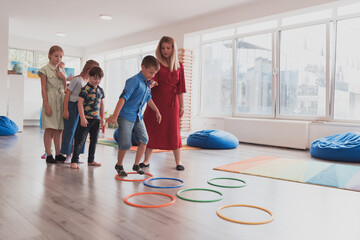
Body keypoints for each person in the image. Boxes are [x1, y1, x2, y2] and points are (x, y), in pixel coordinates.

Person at [106, 55, 162, 176]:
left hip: (138, 117)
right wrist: (115, 115)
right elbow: (122, 99)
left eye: (154, 73)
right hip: (126, 116)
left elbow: (149, 99)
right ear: (142, 67)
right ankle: (119, 165)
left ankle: (136, 165)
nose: (152, 76)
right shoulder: (133, 81)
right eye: (150, 72)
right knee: (125, 143)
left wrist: (157, 111)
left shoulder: (147, 83)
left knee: (144, 140)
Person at [141, 36, 186, 171]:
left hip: (172, 104)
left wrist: (182, 105)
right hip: (156, 102)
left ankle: (178, 162)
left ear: (173, 49)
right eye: (163, 48)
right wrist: (152, 83)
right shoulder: (157, 64)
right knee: (151, 130)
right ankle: (146, 160)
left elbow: (181, 88)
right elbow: (150, 80)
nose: (165, 51)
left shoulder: (179, 66)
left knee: (174, 131)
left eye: (168, 48)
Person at [60, 60, 99, 164]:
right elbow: (67, 94)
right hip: (72, 106)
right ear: (88, 70)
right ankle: (68, 155)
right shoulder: (77, 80)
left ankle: (76, 154)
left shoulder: (88, 83)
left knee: (81, 133)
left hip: (83, 109)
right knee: (70, 131)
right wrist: (65, 109)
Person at [70, 66, 105, 169]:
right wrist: (82, 118)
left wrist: (102, 118)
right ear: (89, 77)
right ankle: (74, 160)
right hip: (86, 119)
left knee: (94, 141)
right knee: (80, 140)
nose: (97, 81)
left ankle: (91, 160)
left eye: (99, 79)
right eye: (95, 78)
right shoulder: (85, 89)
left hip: (96, 120)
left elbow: (102, 104)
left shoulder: (100, 90)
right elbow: (80, 104)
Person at [39, 45, 67, 163]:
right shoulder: (44, 70)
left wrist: (64, 78)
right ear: (50, 55)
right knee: (50, 129)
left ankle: (58, 153)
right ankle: (49, 154)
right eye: (56, 56)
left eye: (60, 56)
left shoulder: (62, 71)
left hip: (61, 100)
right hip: (50, 100)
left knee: (59, 129)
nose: (58, 58)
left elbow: (65, 89)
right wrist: (46, 104)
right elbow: (43, 88)